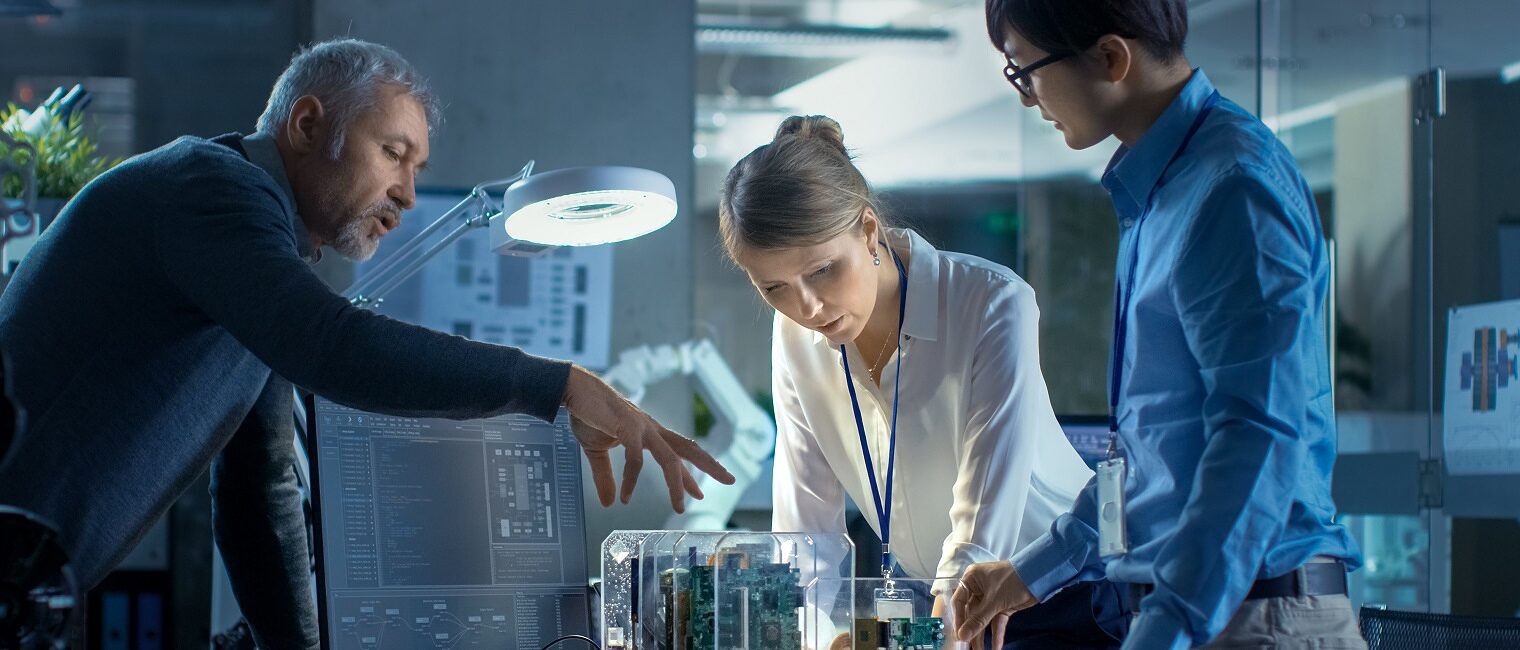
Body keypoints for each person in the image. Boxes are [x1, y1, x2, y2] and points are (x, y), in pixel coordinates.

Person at [0, 38, 732, 649]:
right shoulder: (208, 191)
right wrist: (560, 384)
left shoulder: (254, 259)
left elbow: (260, 491)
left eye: (417, 169)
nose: (410, 195)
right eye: (393, 153)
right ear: (309, 124)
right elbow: (332, 346)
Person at [952, 1, 1366, 648]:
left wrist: (1168, 626)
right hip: (1207, 612)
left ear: (1112, 59)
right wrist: (1030, 573)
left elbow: (1259, 437)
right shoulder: (1162, 194)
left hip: (1253, 621)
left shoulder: (1231, 189)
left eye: (1024, 72)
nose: (1029, 99)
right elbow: (1145, 459)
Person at [721, 115, 1127, 648]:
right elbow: (804, 534)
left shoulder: (990, 303)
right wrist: (819, 635)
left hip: (1063, 593)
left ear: (868, 231)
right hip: (936, 605)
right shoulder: (793, 334)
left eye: (823, 270)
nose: (808, 307)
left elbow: (981, 527)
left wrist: (947, 628)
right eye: (775, 287)